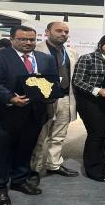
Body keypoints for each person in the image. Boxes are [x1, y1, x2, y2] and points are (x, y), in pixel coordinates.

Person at [0, 26, 57, 205]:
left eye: (31, 39)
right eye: (22, 39)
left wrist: (52, 94)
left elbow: (52, 81)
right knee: (0, 152)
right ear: (12, 39)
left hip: (34, 114)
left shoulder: (45, 59)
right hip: (3, 114)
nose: (28, 42)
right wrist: (10, 98)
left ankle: (19, 180)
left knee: (25, 149)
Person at [72, 34, 105, 182]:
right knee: (96, 134)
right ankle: (92, 169)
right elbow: (77, 81)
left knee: (104, 134)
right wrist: (97, 90)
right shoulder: (87, 58)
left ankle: (100, 165)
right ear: (101, 44)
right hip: (92, 101)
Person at [31, 22, 79, 178]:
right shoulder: (35, 50)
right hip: (43, 99)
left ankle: (54, 164)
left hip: (65, 97)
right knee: (39, 136)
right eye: (59, 30)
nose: (63, 34)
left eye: (66, 31)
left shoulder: (71, 52)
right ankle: (34, 168)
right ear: (47, 32)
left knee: (59, 135)